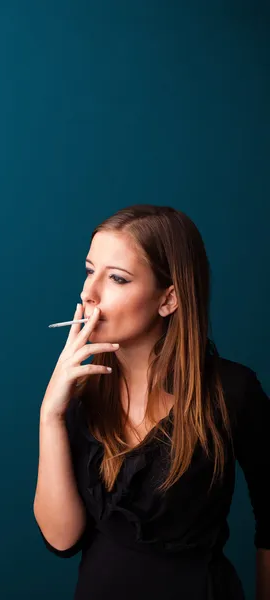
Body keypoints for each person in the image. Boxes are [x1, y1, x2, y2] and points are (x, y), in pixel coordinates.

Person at [33, 205, 269, 600]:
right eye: (90, 271)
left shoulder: (233, 392)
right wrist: (50, 416)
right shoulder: (81, 395)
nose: (87, 293)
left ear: (169, 299)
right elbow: (62, 540)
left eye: (118, 279)